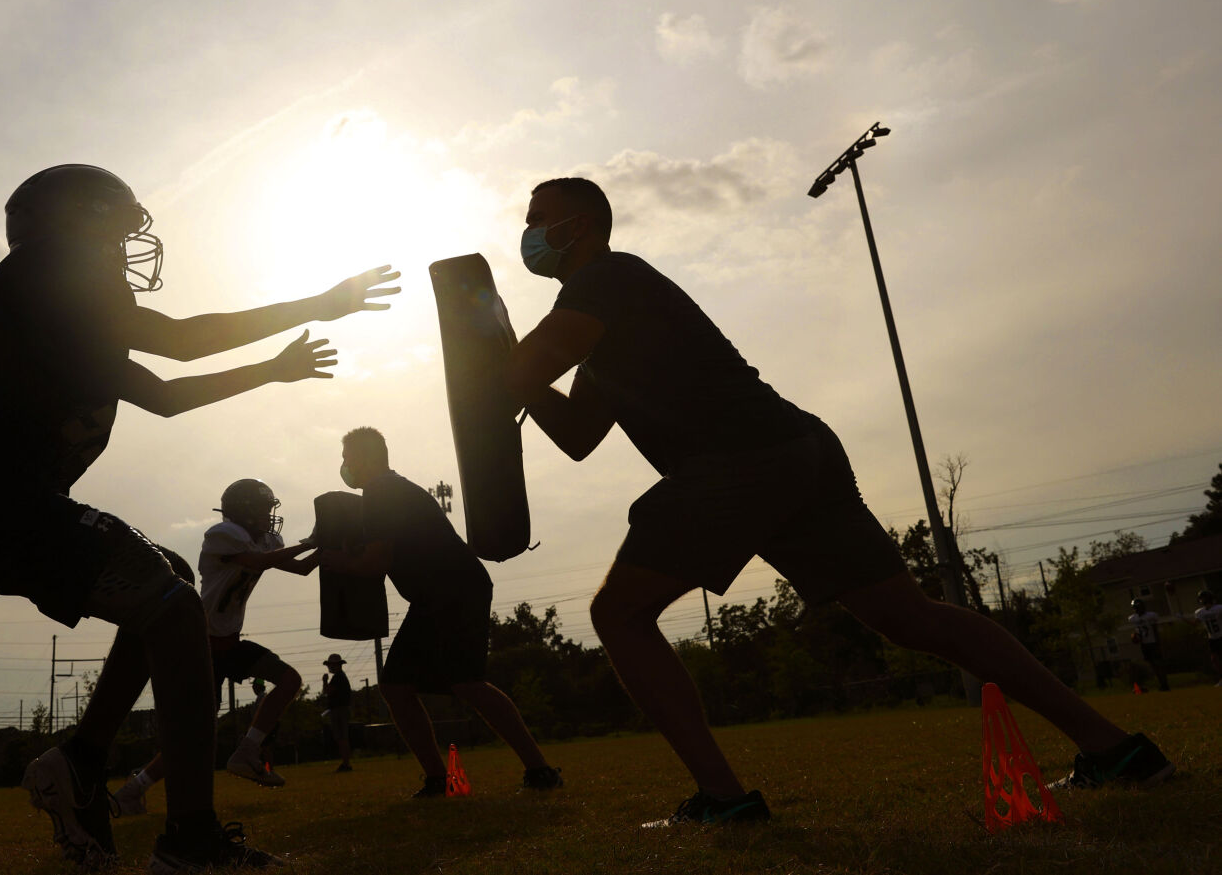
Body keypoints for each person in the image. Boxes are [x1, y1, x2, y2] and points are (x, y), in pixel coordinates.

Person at [500, 176, 1173, 825]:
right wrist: (509, 378)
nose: (527, 233)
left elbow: (521, 370)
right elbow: (578, 434)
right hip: (796, 450)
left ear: (578, 224)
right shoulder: (598, 324)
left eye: (536, 218)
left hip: (739, 459)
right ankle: (1116, 749)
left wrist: (485, 352)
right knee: (908, 617)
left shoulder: (604, 279)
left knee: (619, 613)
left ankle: (722, 799)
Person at [0, 164, 398, 870]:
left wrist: (270, 369)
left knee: (167, 582)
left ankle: (81, 761)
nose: (124, 248)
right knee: (175, 609)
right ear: (81, 223)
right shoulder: (53, 269)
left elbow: (165, 394)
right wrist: (318, 302)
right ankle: (190, 840)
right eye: (116, 228)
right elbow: (177, 340)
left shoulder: (48, 305)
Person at [319, 427, 562, 797]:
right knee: (397, 685)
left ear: (367, 458)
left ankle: (540, 770)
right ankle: (439, 779)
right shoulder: (389, 489)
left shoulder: (380, 492)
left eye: (347, 458)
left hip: (454, 589)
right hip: (437, 593)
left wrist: (330, 559)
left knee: (466, 682)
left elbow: (374, 563)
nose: (344, 466)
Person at [115, 478, 319, 815]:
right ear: (246, 512)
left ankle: (247, 751)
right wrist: (311, 541)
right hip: (200, 645)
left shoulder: (263, 540)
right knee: (194, 736)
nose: (270, 517)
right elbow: (259, 562)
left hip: (229, 642)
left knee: (289, 680)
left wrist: (329, 545)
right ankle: (132, 790)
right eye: (265, 510)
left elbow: (301, 568)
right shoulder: (222, 535)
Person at [1128, 598, 1171, 692]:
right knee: (1153, 665)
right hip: (1144, 644)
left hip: (1152, 642)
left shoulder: (1150, 616)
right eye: (1135, 608)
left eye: (1138, 607)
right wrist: (1134, 636)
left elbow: (1155, 630)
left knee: (1158, 663)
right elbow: (1137, 631)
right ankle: (1162, 684)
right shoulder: (1133, 618)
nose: (1136, 610)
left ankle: (1164, 684)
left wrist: (1158, 642)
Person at [321, 654, 354, 772]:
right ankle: (346, 763)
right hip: (341, 709)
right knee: (342, 737)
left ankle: (346, 764)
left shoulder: (338, 677)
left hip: (339, 710)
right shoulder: (340, 676)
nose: (329, 667)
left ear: (337, 665)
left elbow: (327, 691)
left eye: (331, 665)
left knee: (341, 737)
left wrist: (325, 681)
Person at [1191, 589, 1222, 686]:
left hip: (1221, 635)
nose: (1202, 600)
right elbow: (1195, 624)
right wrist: (1182, 618)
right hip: (1212, 638)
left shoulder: (1219, 608)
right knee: (1214, 659)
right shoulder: (1200, 612)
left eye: (1203, 598)